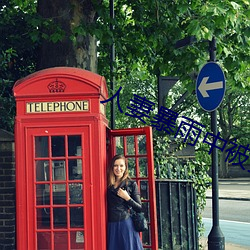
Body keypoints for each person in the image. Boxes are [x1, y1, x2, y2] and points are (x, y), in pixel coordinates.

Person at [107, 154, 144, 250]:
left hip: (125, 224)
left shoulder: (131, 184)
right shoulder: (108, 183)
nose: (118, 168)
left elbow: (139, 208)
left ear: (125, 168)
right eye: (115, 165)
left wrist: (127, 198)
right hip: (111, 225)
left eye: (121, 166)